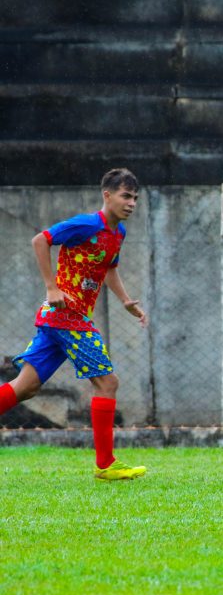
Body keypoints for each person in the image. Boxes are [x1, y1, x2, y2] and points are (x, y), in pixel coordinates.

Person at [0, 168, 149, 480]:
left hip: (59, 320)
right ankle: (106, 465)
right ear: (107, 195)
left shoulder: (117, 233)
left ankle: (106, 464)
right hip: (69, 318)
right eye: (125, 196)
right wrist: (51, 287)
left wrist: (125, 300)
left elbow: (108, 268)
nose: (131, 203)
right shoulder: (86, 224)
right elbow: (40, 240)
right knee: (108, 383)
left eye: (135, 197)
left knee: (25, 387)